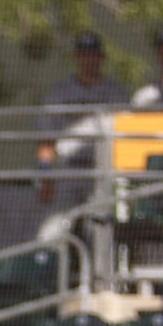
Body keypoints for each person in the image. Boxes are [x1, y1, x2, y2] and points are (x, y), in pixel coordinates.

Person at [35, 32, 129, 211]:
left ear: (101, 57)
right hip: (68, 171)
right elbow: (46, 142)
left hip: (102, 170)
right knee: (62, 223)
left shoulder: (116, 93)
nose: (88, 60)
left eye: (93, 54)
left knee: (100, 222)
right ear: (76, 57)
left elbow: (126, 140)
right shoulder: (59, 93)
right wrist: (43, 179)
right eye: (83, 54)